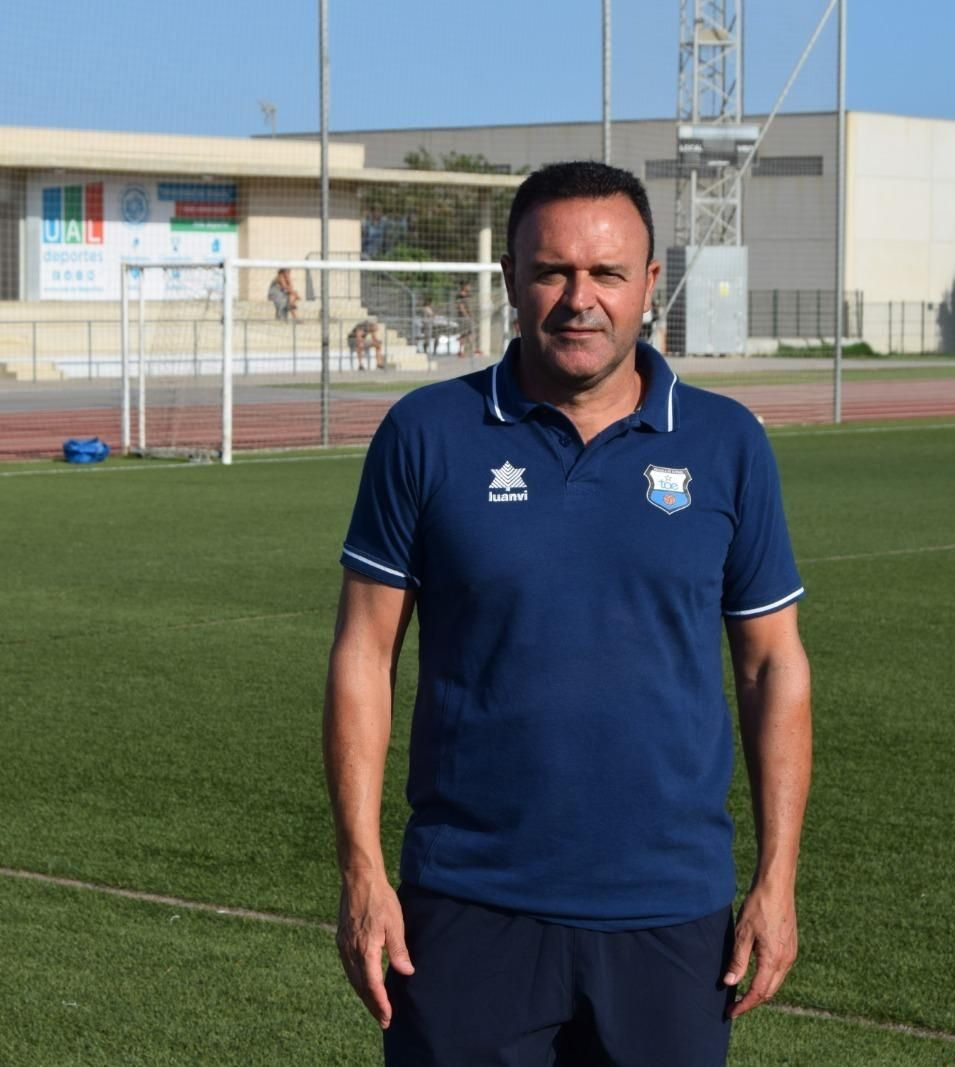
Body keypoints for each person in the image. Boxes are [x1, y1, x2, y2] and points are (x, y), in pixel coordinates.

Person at [324, 161, 812, 1066]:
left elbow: (772, 664)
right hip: (469, 903)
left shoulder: (728, 442)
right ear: (510, 279)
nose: (579, 299)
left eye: (607, 274)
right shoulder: (426, 435)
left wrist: (777, 876)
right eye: (552, 271)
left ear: (650, 286)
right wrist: (361, 867)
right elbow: (363, 652)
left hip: (671, 913)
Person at [453, 279, 474, 358]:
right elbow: (461, 307)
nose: (470, 287)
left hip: (468, 318)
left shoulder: (467, 295)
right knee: (464, 335)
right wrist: (467, 316)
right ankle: (461, 351)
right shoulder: (460, 295)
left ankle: (466, 350)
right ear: (464, 286)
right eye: (468, 286)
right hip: (464, 319)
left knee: (468, 334)